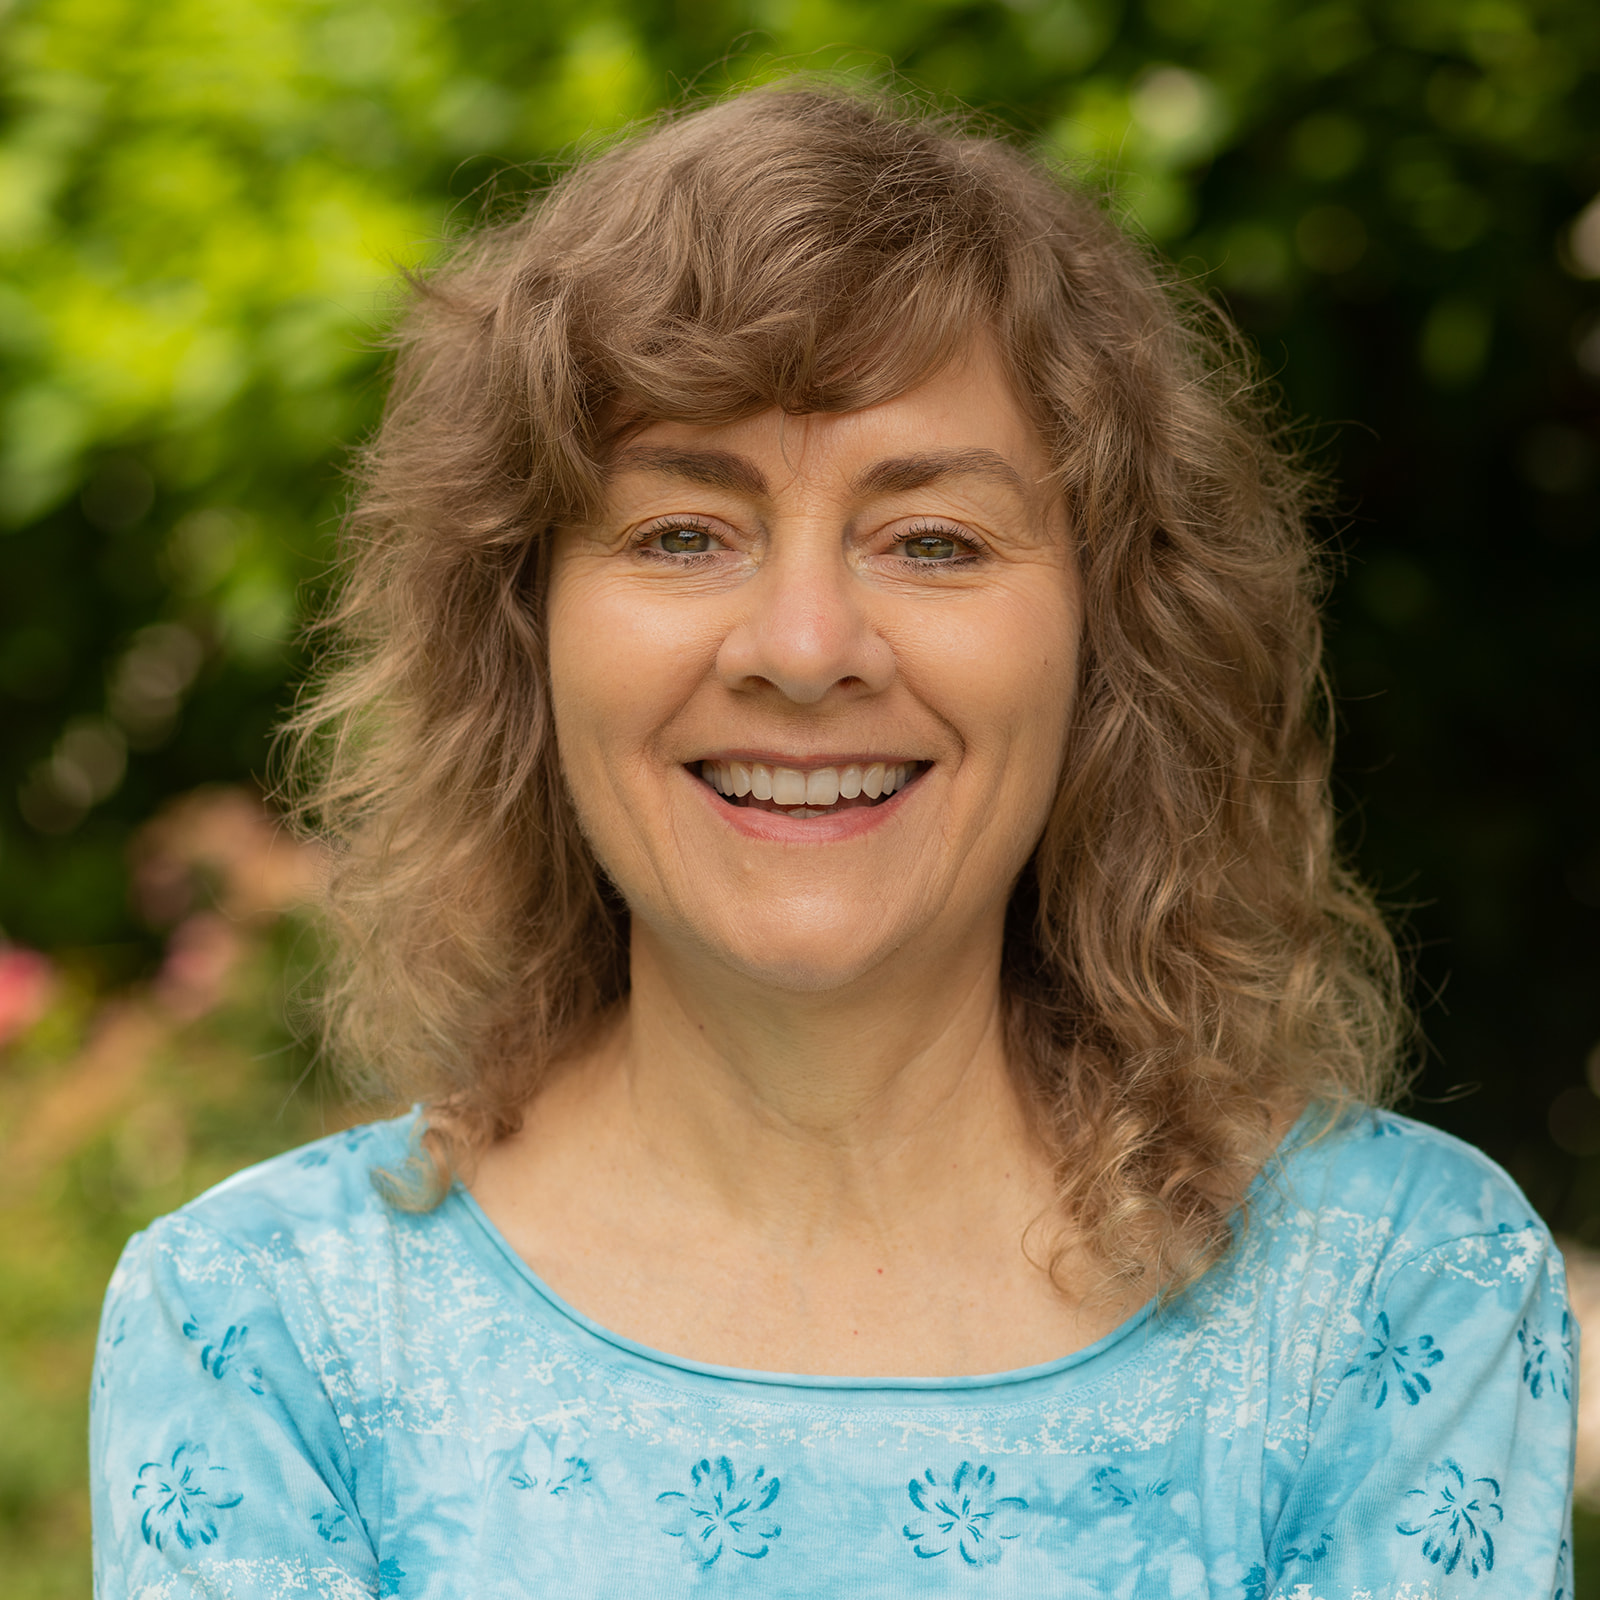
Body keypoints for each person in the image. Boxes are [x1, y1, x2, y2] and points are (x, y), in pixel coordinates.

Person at [90, 83, 1575, 1598]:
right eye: (683, 533)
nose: (804, 650)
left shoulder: (1396, 1300)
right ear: (521, 637)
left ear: (1112, 645)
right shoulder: (265, 1333)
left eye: (933, 540)